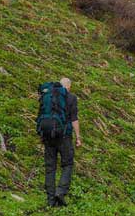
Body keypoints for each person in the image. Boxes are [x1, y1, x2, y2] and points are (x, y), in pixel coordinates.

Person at [44, 77, 82, 207]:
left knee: (50, 168)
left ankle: (50, 201)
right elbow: (74, 119)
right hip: (64, 136)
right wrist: (78, 137)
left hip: (49, 136)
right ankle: (60, 192)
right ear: (69, 86)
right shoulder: (71, 98)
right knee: (67, 164)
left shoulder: (49, 96)